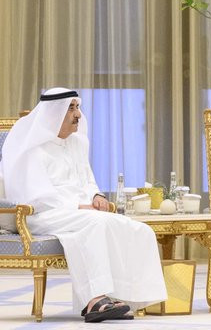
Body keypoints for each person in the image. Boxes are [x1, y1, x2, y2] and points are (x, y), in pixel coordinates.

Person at [1, 88, 166, 322]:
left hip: (77, 213)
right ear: (53, 113)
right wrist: (79, 206)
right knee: (95, 224)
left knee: (137, 229)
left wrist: (96, 196)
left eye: (77, 107)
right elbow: (36, 196)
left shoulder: (77, 144)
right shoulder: (33, 149)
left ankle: (123, 297)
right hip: (44, 214)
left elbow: (88, 180)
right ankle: (94, 300)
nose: (78, 114)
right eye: (71, 108)